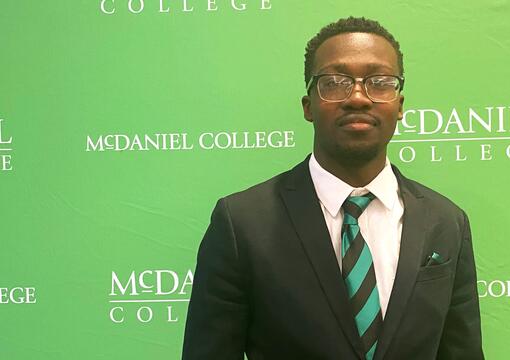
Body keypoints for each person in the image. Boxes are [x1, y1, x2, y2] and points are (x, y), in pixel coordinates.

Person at [182, 16, 484, 360]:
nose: (358, 97)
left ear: (400, 106)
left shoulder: (446, 222)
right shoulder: (242, 223)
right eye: (335, 81)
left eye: (380, 81)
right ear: (308, 106)